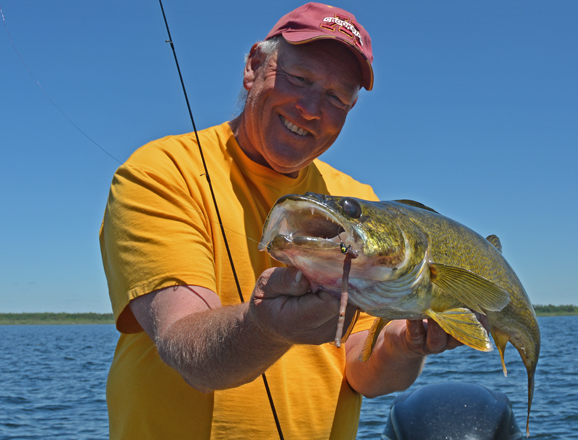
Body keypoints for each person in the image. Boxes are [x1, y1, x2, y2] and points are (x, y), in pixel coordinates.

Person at [100, 3, 469, 439]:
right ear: (254, 66)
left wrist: (407, 344)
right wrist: (266, 327)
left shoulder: (361, 207)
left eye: (337, 97)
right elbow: (186, 348)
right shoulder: (162, 172)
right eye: (300, 79)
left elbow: (363, 371)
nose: (312, 108)